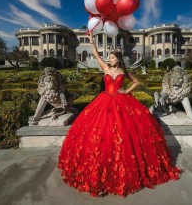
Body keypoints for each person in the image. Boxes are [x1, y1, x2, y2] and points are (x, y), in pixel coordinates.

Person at [57, 32, 181, 197]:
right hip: (105, 102)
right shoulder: (106, 68)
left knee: (124, 134)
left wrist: (126, 91)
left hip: (122, 102)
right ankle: (99, 176)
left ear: (118, 58)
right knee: (103, 134)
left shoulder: (124, 71)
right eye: (109, 57)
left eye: (112, 57)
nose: (110, 59)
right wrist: (92, 41)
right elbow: (95, 54)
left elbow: (137, 82)